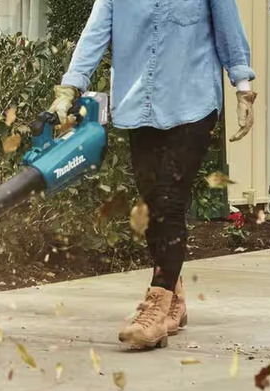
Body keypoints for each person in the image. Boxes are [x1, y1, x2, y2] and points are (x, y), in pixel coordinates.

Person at [49, 0, 257, 349]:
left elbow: (229, 33)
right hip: (138, 104)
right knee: (150, 202)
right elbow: (95, 33)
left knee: (170, 199)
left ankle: (155, 311)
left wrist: (243, 89)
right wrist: (70, 89)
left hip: (193, 102)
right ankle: (175, 298)